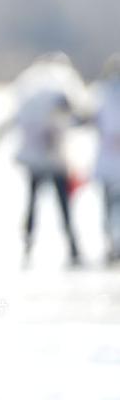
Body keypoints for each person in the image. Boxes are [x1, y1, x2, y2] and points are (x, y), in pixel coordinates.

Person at [0, 53, 85, 265]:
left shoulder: (33, 94)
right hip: (53, 161)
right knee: (58, 205)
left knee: (39, 204)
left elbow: (13, 120)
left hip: (41, 160)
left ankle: (34, 247)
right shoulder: (55, 91)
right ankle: (67, 248)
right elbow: (76, 115)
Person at [92, 54, 120, 263]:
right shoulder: (102, 93)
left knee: (109, 205)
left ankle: (111, 243)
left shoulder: (100, 93)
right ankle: (111, 244)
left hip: (108, 161)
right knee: (110, 204)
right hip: (109, 161)